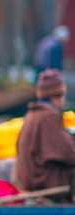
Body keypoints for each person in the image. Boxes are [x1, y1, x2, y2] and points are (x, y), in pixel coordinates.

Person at [15, 68, 75, 202]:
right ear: (60, 93)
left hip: (31, 180)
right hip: (41, 184)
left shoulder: (31, 114)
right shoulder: (49, 116)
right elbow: (68, 153)